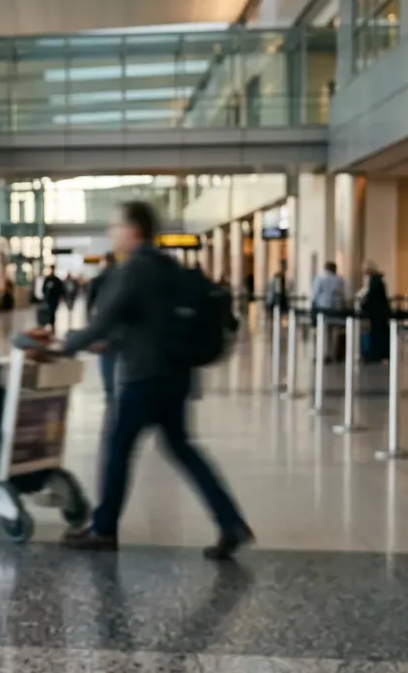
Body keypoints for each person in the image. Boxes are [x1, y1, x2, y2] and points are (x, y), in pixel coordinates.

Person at [31, 201, 252, 559]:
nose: (111, 233)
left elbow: (105, 319)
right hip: (176, 375)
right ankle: (231, 522)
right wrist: (111, 342)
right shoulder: (166, 266)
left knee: (117, 448)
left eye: (115, 226)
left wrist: (66, 345)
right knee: (182, 449)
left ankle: (104, 530)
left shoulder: (134, 269)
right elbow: (148, 322)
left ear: (133, 231)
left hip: (144, 378)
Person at [86, 253, 119, 400]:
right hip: (119, 327)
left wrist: (91, 327)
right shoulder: (124, 278)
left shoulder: (97, 280)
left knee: (106, 357)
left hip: (103, 327)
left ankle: (109, 389)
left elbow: (90, 306)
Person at [311, 261, 346, 363]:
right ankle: (332, 354)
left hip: (323, 308)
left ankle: (322, 354)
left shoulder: (320, 278)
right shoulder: (339, 279)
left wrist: (314, 306)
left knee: (323, 332)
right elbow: (343, 294)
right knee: (334, 332)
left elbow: (315, 294)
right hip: (336, 308)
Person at [358, 261, 391, 363]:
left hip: (377, 312)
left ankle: (378, 354)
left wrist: (363, 304)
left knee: (378, 333)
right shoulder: (377, 280)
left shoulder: (375, 281)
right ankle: (379, 354)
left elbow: (372, 296)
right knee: (379, 333)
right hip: (379, 311)